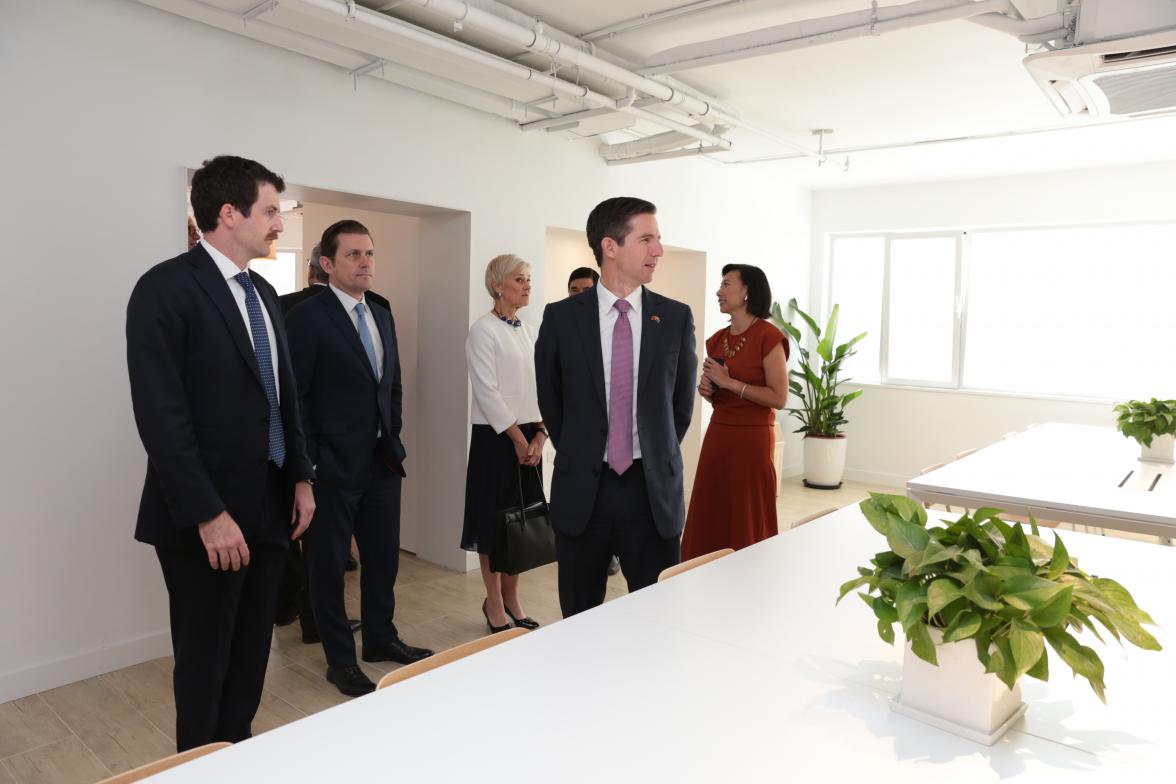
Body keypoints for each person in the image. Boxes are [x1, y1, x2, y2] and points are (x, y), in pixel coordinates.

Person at [126, 155, 316, 751]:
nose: (278, 224)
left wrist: (302, 478)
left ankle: (238, 754)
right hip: (205, 517)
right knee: (206, 659)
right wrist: (209, 513)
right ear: (228, 214)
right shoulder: (164, 289)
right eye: (270, 212)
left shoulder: (264, 290)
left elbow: (285, 397)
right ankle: (200, 765)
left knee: (254, 648)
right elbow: (162, 417)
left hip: (270, 503)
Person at [286, 220, 433, 696]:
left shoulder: (382, 314)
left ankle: (380, 638)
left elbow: (391, 384)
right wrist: (312, 462)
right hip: (331, 468)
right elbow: (296, 400)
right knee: (327, 568)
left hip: (381, 462)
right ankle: (340, 660)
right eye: (352, 255)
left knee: (382, 558)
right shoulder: (307, 317)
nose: (365, 262)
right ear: (326, 265)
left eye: (369, 253)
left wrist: (393, 435)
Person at [535, 197, 697, 617]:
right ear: (610, 246)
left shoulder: (675, 318)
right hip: (584, 492)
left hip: (651, 493)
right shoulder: (561, 319)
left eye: (658, 239)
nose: (658, 250)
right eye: (647, 239)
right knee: (580, 620)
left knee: (656, 619)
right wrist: (584, 448)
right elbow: (551, 401)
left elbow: (679, 407)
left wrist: (656, 454)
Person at [274, 242, 359, 642]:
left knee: (299, 534)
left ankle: (292, 607)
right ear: (325, 267)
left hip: (295, 441)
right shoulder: (295, 309)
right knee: (320, 543)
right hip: (315, 446)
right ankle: (315, 619)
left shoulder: (281, 304)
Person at [461, 254, 545, 633]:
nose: (527, 285)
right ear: (497, 285)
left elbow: (545, 389)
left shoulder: (529, 331)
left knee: (521, 523)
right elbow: (488, 391)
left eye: (528, 279)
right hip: (496, 439)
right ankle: (494, 603)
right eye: (519, 279)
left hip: (531, 438)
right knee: (493, 524)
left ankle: (513, 598)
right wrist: (516, 438)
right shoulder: (483, 330)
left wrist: (541, 436)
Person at [681, 265, 790, 560]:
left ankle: (748, 574)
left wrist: (728, 382)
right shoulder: (717, 340)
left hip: (751, 439)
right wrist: (708, 390)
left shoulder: (769, 336)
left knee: (746, 510)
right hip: (719, 434)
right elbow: (719, 394)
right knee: (711, 507)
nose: (719, 291)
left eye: (726, 284)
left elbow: (779, 397)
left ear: (747, 292)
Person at [561, 267, 621, 578]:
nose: (581, 295)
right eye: (575, 290)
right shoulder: (560, 323)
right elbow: (551, 390)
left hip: (621, 445)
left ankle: (613, 552)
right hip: (579, 444)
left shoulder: (619, 324)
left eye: (587, 289)